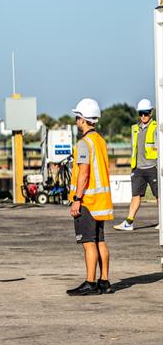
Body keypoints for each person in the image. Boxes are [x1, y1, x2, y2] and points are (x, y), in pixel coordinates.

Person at [67, 98, 114, 296]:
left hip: (88, 202)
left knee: (88, 243)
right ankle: (104, 281)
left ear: (83, 119)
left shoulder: (84, 143)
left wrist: (77, 199)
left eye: (78, 117)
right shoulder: (100, 141)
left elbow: (84, 173)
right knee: (100, 241)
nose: (77, 121)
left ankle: (90, 283)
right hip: (102, 202)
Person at [114, 99, 158, 231]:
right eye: (141, 113)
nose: (143, 116)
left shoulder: (156, 127)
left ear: (151, 113)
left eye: (146, 113)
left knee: (159, 196)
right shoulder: (134, 129)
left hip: (153, 166)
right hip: (138, 168)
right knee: (135, 196)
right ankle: (129, 222)